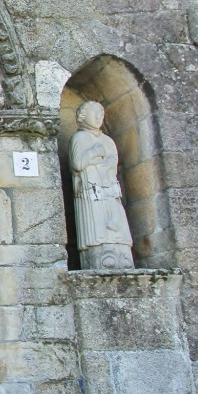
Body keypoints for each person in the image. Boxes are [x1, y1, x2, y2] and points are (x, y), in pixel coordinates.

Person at [69, 101, 133, 269]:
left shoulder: (108, 140)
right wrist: (94, 153)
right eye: (94, 113)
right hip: (91, 190)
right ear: (83, 116)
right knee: (96, 223)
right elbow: (77, 163)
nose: (98, 117)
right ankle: (99, 254)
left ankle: (122, 255)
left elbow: (113, 161)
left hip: (109, 187)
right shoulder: (79, 138)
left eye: (101, 114)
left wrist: (102, 164)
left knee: (116, 219)